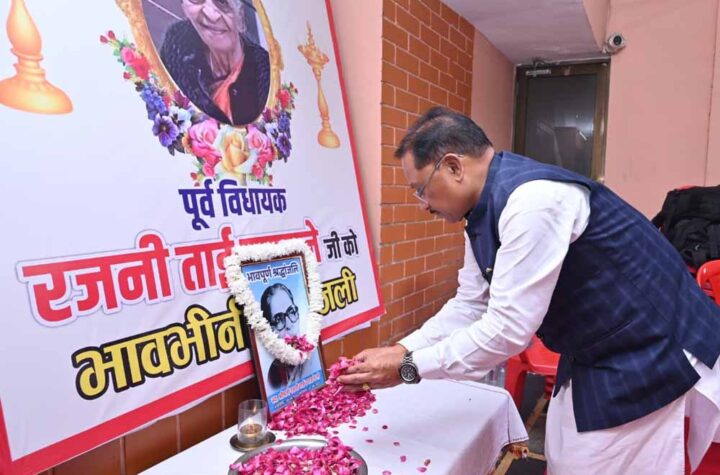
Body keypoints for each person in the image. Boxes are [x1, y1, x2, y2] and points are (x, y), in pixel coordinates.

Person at [337, 106, 720, 473]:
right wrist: (402, 349)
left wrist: (408, 369)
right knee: (563, 453)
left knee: (591, 463)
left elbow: (506, 331)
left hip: (650, 348)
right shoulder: (481, 211)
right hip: (598, 344)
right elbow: (470, 304)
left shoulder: (533, 203)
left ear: (453, 167)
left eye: (421, 189)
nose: (423, 205)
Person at [160, 0, 270, 125]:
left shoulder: (263, 78)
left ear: (241, 18)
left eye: (222, 2)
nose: (210, 14)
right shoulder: (176, 49)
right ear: (184, 7)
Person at [260, 283, 308, 390]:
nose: (289, 325)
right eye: (278, 320)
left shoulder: (313, 358)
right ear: (270, 330)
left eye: (291, 312)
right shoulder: (273, 377)